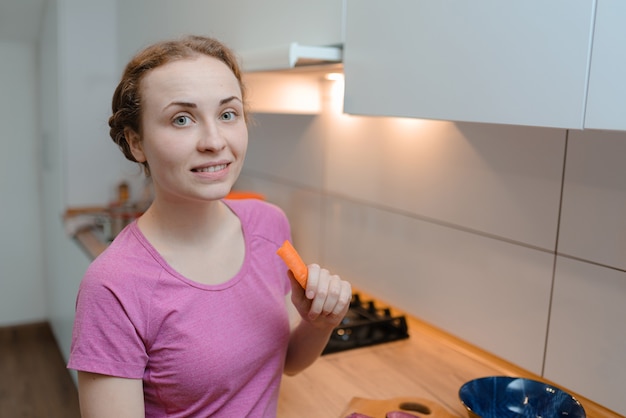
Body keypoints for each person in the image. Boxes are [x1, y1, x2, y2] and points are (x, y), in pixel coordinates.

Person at [68, 35, 352, 417]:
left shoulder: (269, 225)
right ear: (136, 142)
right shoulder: (113, 285)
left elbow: (287, 362)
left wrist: (320, 324)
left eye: (227, 114)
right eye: (181, 119)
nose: (215, 141)